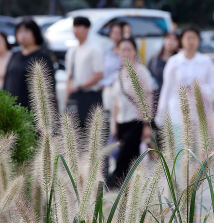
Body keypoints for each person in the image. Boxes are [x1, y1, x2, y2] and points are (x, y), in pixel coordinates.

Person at [155, 26, 214, 140]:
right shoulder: (174, 62)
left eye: (194, 38)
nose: (191, 41)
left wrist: (200, 89)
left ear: (199, 40)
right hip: (178, 113)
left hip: (201, 114)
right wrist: (160, 116)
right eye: (188, 38)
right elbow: (167, 90)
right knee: (181, 152)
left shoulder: (206, 62)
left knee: (201, 152)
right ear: (181, 40)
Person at [107, 38, 155, 188]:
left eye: (128, 49)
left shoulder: (142, 72)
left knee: (123, 159)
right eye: (122, 49)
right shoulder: (118, 74)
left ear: (135, 51)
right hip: (121, 123)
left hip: (136, 122)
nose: (125, 53)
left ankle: (111, 187)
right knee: (129, 160)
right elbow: (116, 102)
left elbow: (148, 98)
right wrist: (113, 124)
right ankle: (128, 191)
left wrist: (147, 124)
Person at [3, 18, 56, 110]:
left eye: (26, 31)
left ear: (35, 33)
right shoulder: (15, 55)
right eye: (19, 32)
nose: (22, 35)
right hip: (12, 111)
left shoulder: (42, 57)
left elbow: (49, 88)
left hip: (32, 112)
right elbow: (7, 80)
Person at [65, 16, 104, 127]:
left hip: (90, 95)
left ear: (87, 28)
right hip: (74, 95)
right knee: (73, 130)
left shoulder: (95, 49)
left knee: (89, 131)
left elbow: (99, 75)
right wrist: (67, 97)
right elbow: (69, 76)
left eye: (79, 26)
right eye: (74, 26)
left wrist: (80, 86)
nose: (76, 30)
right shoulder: (72, 50)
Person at [101, 21, 123, 114]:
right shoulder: (107, 52)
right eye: (114, 33)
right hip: (108, 89)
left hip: (122, 90)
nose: (116, 36)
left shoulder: (127, 52)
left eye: (119, 33)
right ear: (110, 35)